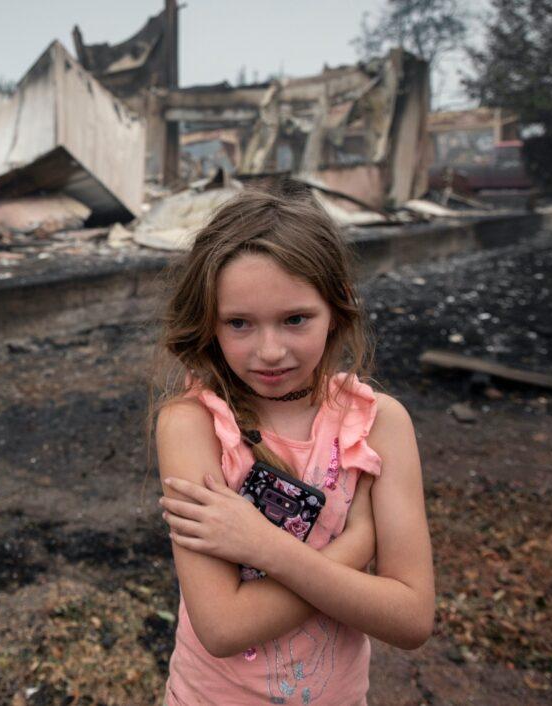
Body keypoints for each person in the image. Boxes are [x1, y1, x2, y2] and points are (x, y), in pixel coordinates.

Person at [152, 185, 435, 705]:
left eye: (295, 319)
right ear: (209, 323)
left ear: (337, 307)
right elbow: (223, 626)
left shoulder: (379, 424)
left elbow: (412, 618)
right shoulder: (192, 425)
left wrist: (262, 546)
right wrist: (357, 544)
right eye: (239, 323)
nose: (270, 351)